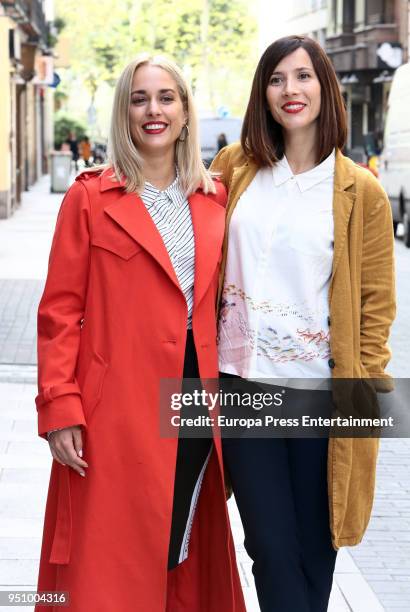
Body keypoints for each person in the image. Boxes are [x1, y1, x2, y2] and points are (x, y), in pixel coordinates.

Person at [35, 54, 245, 612]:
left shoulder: (215, 197)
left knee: (177, 546)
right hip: (114, 413)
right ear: (124, 112)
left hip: (192, 404)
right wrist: (60, 408)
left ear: (184, 111)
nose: (154, 110)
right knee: (108, 560)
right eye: (139, 98)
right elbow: (59, 312)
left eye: (166, 97)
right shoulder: (89, 198)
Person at [211, 35, 396, 612]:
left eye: (303, 77)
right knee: (267, 543)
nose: (290, 90)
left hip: (321, 394)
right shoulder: (234, 168)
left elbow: (375, 308)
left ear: (326, 88)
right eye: (276, 79)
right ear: (262, 92)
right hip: (244, 389)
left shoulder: (359, 191)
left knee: (317, 549)